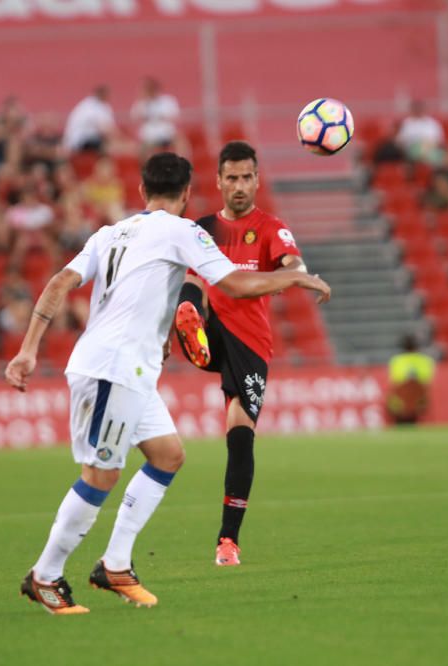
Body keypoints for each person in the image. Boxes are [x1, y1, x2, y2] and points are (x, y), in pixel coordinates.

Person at [5, 152, 330, 614]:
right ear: (188, 195)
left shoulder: (110, 233)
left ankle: (115, 565)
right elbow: (234, 284)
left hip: (130, 370)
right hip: (112, 369)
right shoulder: (184, 231)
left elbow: (59, 282)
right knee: (101, 474)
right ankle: (45, 576)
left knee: (168, 455)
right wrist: (294, 278)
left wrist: (28, 347)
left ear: (142, 192)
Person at [173, 141, 310, 567]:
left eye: (246, 177)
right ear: (218, 181)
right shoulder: (203, 228)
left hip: (250, 344)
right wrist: (182, 315)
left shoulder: (270, 227)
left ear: (257, 179)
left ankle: (227, 541)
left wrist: (296, 275)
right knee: (188, 294)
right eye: (231, 178)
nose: (239, 186)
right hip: (213, 328)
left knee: (239, 435)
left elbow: (293, 266)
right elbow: (192, 277)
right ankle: (191, 329)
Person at [385, 334, 436, 424]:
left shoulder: (396, 361)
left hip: (399, 403)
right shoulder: (425, 360)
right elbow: (427, 383)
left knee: (394, 398)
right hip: (420, 402)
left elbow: (394, 384)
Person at [130, 77, 181, 153]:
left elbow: (175, 116)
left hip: (167, 133)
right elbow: (134, 117)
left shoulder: (168, 100)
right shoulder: (141, 103)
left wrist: (161, 117)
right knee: (141, 149)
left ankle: (182, 163)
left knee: (181, 143)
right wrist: (142, 100)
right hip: (149, 136)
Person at [63, 85, 117, 154]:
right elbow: (106, 129)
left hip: (81, 140)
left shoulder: (88, 104)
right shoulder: (93, 106)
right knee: (109, 148)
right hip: (81, 140)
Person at [395, 100, 445, 166]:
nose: (418, 110)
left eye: (419, 108)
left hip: (431, 150)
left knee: (441, 156)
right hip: (412, 151)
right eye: (416, 108)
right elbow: (400, 141)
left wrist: (427, 146)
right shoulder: (407, 123)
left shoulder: (432, 123)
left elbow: (439, 141)